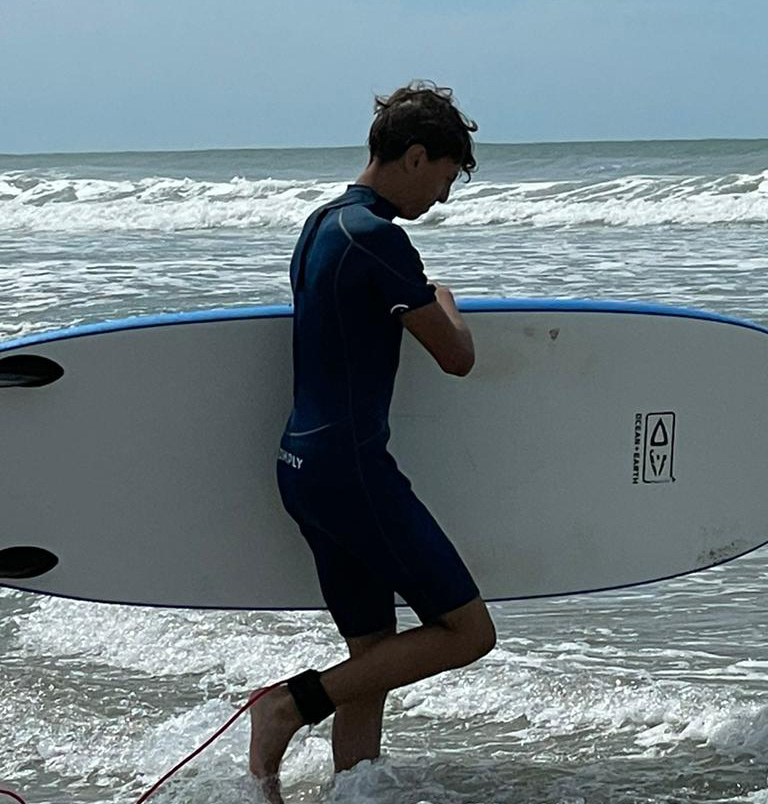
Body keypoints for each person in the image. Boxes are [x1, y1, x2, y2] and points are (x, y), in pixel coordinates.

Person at [248, 81, 497, 801]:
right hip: (351, 471)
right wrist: (442, 295)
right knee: (468, 633)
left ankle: (351, 790)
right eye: (446, 178)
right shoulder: (381, 240)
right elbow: (456, 355)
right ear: (416, 157)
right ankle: (285, 707)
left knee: (374, 659)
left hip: (302, 465)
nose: (443, 199)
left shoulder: (322, 223)